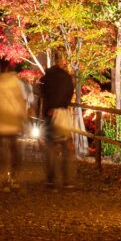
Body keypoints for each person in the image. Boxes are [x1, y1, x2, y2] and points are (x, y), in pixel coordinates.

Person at [0, 58, 27, 190]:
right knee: (15, 150)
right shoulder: (17, 83)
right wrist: (23, 119)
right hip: (13, 121)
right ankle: (13, 177)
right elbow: (22, 102)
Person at [39, 49, 75, 188]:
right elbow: (69, 94)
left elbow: (42, 94)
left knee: (50, 146)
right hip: (63, 113)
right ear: (62, 61)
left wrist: (47, 109)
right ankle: (67, 179)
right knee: (66, 146)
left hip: (50, 113)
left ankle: (50, 178)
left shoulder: (46, 77)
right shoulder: (67, 78)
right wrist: (63, 105)